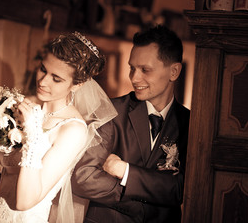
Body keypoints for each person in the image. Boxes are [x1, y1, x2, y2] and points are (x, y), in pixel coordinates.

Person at [0, 32, 117, 222]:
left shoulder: (72, 129)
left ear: (77, 85)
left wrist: (33, 133)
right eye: (42, 69)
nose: (43, 81)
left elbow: (23, 203)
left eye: (56, 78)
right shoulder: (24, 108)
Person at [71, 25, 190, 223]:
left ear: (174, 71)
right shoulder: (111, 112)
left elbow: (181, 189)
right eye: (132, 68)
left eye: (145, 70)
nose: (134, 78)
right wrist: (141, 206)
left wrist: (125, 171)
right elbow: (83, 178)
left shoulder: (190, 124)